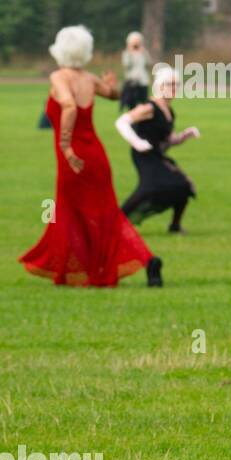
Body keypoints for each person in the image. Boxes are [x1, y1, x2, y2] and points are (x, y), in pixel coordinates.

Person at [19, 25, 162, 287]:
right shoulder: (89, 78)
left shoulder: (59, 77)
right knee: (106, 214)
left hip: (73, 156)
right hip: (96, 155)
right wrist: (111, 86)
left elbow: (69, 106)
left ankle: (77, 268)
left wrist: (65, 146)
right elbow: (113, 95)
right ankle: (145, 258)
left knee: (70, 212)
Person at [117, 65, 200, 233]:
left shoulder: (169, 111)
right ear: (161, 86)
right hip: (143, 155)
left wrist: (185, 135)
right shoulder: (149, 108)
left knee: (183, 185)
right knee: (150, 187)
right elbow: (122, 122)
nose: (174, 88)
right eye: (170, 84)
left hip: (156, 154)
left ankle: (175, 226)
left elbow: (169, 141)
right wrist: (137, 142)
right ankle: (117, 221)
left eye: (177, 85)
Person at [119, 31, 151, 113]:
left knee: (144, 102)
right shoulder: (127, 53)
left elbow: (149, 63)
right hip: (131, 81)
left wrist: (143, 52)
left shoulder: (143, 52)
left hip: (143, 81)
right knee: (132, 103)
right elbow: (126, 65)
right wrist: (129, 52)